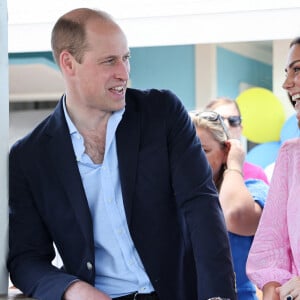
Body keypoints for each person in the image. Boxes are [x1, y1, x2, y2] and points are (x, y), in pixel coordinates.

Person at [7, 7, 237, 300]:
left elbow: (201, 207)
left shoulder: (162, 113)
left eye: (126, 58)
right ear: (69, 63)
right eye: (109, 61)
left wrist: (217, 296)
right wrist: (71, 289)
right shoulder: (30, 157)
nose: (124, 72)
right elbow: (26, 258)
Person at [189, 110, 268, 300]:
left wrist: (234, 165)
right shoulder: (169, 197)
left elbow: (234, 214)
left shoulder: (253, 190)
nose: (190, 158)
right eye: (184, 149)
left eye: (203, 150)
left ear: (226, 152)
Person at [246, 36, 300, 300]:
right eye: (287, 72)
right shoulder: (292, 154)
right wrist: (271, 288)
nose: (286, 84)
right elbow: (273, 246)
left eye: (298, 69)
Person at [204, 98, 269, 184]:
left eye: (233, 120)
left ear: (240, 129)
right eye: (219, 120)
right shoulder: (195, 169)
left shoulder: (256, 174)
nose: (226, 125)